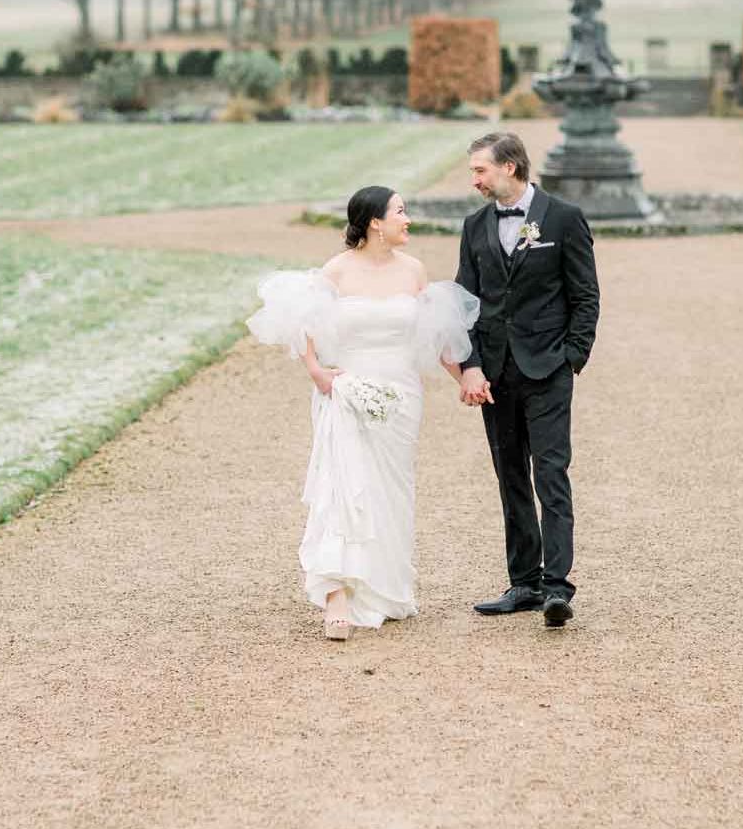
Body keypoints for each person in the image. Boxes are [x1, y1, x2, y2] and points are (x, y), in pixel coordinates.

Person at [247, 186, 479, 641]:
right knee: (343, 488)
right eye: (400, 212)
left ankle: (381, 589)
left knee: (390, 493)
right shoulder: (337, 270)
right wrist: (316, 370)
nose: (407, 219)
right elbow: (302, 319)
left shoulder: (413, 270)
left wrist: (467, 379)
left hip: (401, 397)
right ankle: (337, 596)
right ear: (375, 221)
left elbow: (437, 338)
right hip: (347, 390)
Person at [456, 133, 600, 627]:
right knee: (511, 475)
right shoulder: (474, 226)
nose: (475, 181)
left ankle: (557, 587)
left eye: (480, 170)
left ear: (510, 167)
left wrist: (572, 357)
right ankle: (524, 582)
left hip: (547, 368)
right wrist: (471, 364)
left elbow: (585, 296)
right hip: (495, 373)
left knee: (551, 475)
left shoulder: (563, 218)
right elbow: (464, 304)